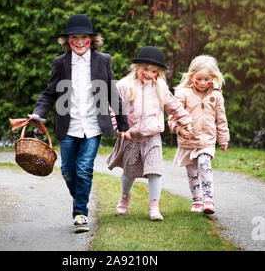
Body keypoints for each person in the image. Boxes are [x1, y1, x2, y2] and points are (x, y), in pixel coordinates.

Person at [30, 14, 130, 233]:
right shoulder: (60, 63)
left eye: (84, 37)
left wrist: (123, 124)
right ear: (67, 41)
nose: (79, 42)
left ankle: (80, 213)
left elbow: (112, 93)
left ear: (91, 40)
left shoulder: (104, 60)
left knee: (84, 168)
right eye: (74, 37)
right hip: (69, 125)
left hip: (93, 125)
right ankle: (81, 199)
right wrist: (38, 113)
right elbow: (49, 93)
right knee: (68, 170)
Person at [107, 46, 193, 221]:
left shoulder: (160, 87)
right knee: (129, 173)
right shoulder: (124, 85)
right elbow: (113, 109)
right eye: (145, 69)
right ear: (137, 67)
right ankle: (124, 198)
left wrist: (186, 121)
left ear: (159, 73)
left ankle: (154, 207)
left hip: (152, 137)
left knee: (155, 171)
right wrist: (119, 129)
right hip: (130, 136)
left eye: (154, 71)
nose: (149, 73)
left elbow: (173, 106)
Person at [168, 55, 230, 214]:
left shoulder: (216, 95)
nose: (203, 83)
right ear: (191, 76)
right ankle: (196, 201)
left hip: (207, 141)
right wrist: (179, 130)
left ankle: (208, 200)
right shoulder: (183, 93)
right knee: (192, 173)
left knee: (204, 164)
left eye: (206, 79)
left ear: (213, 78)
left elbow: (221, 119)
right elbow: (172, 117)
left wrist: (223, 139)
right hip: (188, 141)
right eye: (199, 79)